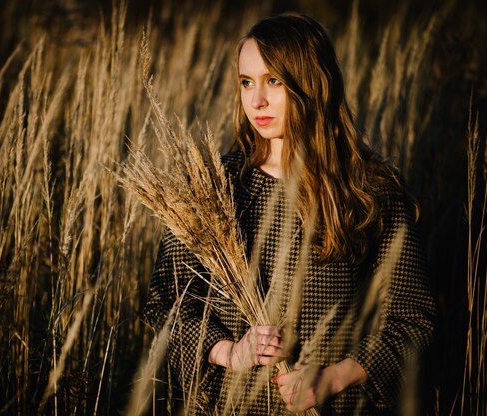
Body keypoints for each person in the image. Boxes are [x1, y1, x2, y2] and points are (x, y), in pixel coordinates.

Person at [142, 12, 436, 415]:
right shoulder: (212, 186)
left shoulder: (369, 190)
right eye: (246, 82)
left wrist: (333, 377)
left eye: (273, 81)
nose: (256, 100)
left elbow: (413, 322)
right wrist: (228, 351)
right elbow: (164, 302)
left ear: (311, 83)